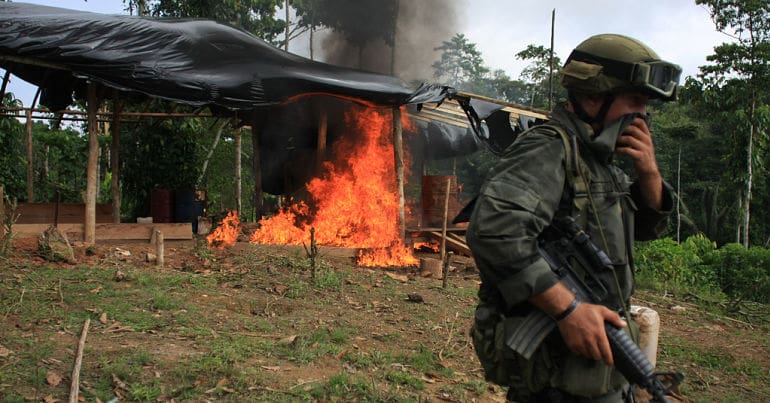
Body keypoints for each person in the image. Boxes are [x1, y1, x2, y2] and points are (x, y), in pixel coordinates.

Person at [466, 34, 681, 402]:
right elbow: (494, 231)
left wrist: (649, 174)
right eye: (635, 101)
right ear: (594, 97)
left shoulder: (598, 161)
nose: (643, 115)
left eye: (646, 106)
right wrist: (568, 310)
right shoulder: (549, 148)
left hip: (593, 370)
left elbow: (641, 229)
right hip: (554, 372)